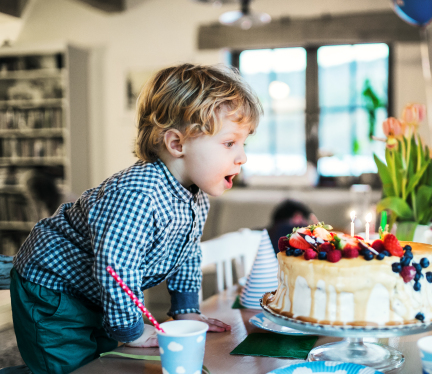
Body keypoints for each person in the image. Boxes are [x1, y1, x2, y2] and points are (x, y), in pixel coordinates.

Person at [10, 64, 262, 374]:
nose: (242, 157)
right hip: (53, 285)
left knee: (102, 363)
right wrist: (132, 329)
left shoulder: (195, 196)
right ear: (176, 144)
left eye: (243, 144)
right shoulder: (138, 196)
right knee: (66, 368)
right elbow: (115, 269)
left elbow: (185, 254)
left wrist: (186, 310)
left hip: (94, 290)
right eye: (229, 143)